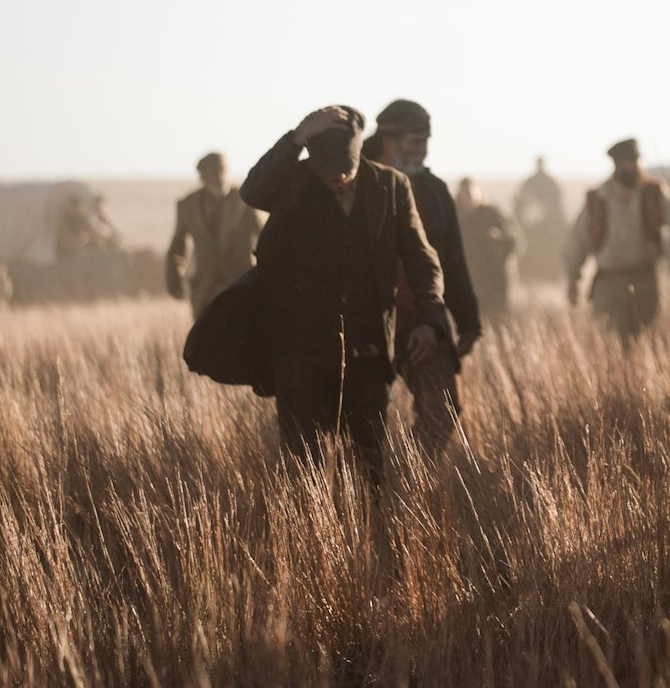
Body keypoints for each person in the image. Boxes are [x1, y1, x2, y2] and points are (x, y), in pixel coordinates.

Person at [184, 105, 447, 475]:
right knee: (303, 468)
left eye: (345, 169)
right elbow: (253, 190)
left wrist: (429, 318)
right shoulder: (294, 180)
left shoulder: (391, 186)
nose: (336, 178)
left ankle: (364, 530)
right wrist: (296, 136)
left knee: (368, 466)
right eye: (328, 170)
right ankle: (310, 530)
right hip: (299, 354)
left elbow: (422, 259)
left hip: (368, 352)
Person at [362, 100, 480, 460]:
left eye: (426, 140)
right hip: (363, 322)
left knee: (443, 412)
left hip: (423, 319)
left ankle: (403, 482)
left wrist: (467, 321)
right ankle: (366, 494)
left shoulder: (434, 190)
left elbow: (452, 260)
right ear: (388, 139)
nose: (422, 149)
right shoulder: (352, 181)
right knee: (362, 424)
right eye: (414, 141)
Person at [562, 138, 670, 342]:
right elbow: (577, 242)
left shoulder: (653, 194)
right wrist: (573, 279)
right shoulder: (597, 199)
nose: (631, 166)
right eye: (626, 162)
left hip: (645, 282)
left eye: (634, 161)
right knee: (612, 343)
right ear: (616, 164)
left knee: (643, 340)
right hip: (609, 285)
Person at [165, 152, 263, 317]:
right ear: (203, 178)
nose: (219, 178)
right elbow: (178, 246)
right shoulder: (188, 206)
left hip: (242, 286)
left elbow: (266, 237)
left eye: (222, 172)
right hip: (205, 290)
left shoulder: (246, 200)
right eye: (213, 174)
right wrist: (174, 280)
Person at [456, 178, 520, 321]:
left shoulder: (493, 214)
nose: (467, 198)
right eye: (463, 194)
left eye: (470, 194)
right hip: (465, 280)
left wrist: (499, 239)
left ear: (479, 193)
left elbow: (515, 240)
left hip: (494, 280)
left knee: (496, 321)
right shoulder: (453, 215)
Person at [514, 157, 568, 290]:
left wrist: (546, 212)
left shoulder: (550, 182)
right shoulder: (529, 182)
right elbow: (521, 203)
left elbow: (557, 204)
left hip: (550, 228)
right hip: (531, 229)